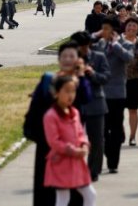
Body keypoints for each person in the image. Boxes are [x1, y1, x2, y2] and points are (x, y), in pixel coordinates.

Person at [24, 41, 90, 206]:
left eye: (72, 56)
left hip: (73, 143)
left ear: (78, 59)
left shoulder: (80, 81)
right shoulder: (48, 80)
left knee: (75, 189)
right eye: (64, 56)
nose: (68, 59)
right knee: (46, 189)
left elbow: (87, 98)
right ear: (59, 59)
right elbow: (35, 108)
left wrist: (81, 76)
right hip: (48, 143)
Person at [43, 75, 97, 206]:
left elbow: (80, 132)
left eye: (73, 91)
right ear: (56, 93)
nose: (71, 95)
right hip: (61, 162)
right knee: (63, 198)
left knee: (90, 194)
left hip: (77, 162)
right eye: (66, 91)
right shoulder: (51, 116)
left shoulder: (75, 112)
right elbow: (54, 141)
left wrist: (84, 145)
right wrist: (72, 150)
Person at [92, 17, 134, 174]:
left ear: (114, 31)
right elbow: (83, 45)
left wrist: (115, 44)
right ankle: (108, 152)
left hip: (117, 94)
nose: (104, 32)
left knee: (115, 129)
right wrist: (96, 34)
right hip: (101, 93)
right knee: (102, 130)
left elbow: (128, 57)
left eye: (106, 29)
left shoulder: (125, 44)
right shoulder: (99, 45)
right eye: (102, 29)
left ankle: (113, 162)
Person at [71, 31, 110, 182]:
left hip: (96, 102)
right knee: (73, 139)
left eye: (82, 46)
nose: (80, 49)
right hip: (75, 104)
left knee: (97, 139)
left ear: (88, 45)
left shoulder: (99, 57)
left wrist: (93, 74)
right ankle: (76, 168)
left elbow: (106, 77)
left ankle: (93, 170)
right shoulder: (72, 59)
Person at [121, 17, 138, 147]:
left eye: (134, 26)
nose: (131, 28)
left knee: (133, 110)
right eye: (129, 25)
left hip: (135, 80)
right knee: (118, 110)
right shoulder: (118, 41)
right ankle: (121, 132)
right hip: (119, 81)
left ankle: (132, 136)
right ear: (125, 27)